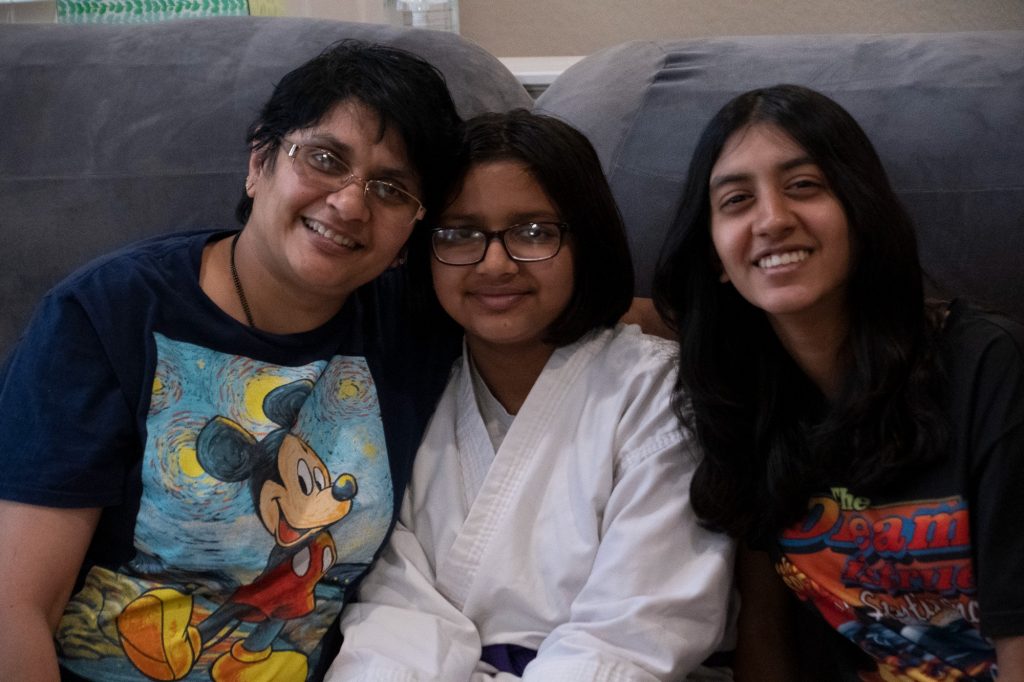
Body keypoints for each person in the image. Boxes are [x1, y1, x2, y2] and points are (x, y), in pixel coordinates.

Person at [0, 40, 463, 681]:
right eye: (326, 159)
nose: (351, 204)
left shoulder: (417, 326)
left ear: (414, 227)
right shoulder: (108, 315)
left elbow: (561, 309)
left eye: (391, 189)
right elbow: (17, 605)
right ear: (259, 161)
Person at [328, 109, 735, 681]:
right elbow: (394, 613)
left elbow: (637, 634)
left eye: (534, 232)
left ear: (585, 240)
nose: (495, 263)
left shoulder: (655, 396)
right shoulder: (407, 391)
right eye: (459, 233)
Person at [652, 84, 1024, 680]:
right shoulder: (740, 395)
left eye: (804, 186)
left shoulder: (988, 365)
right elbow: (765, 635)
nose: (771, 220)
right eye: (737, 200)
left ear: (860, 209)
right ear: (716, 255)